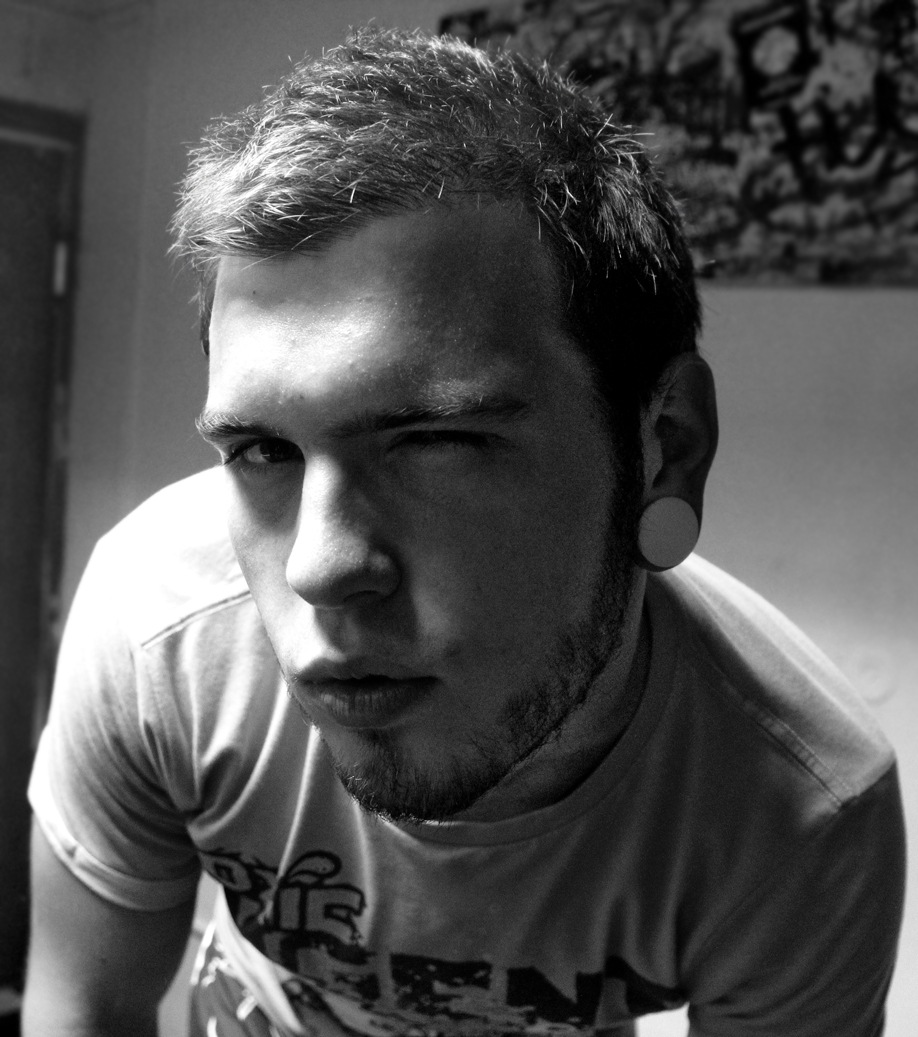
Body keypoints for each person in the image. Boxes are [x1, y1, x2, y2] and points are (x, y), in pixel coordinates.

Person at [23, 26, 905, 1037]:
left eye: (433, 440)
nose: (319, 566)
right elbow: (84, 1006)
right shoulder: (160, 633)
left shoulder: (802, 810)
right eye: (263, 449)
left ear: (665, 447)